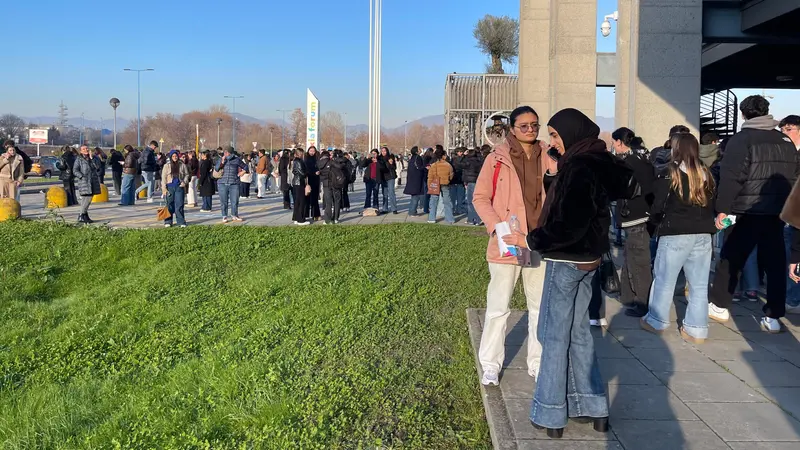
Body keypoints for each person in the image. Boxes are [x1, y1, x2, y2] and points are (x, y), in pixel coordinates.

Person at [505, 108, 634, 437]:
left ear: (571, 133)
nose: (552, 141)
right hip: (590, 259)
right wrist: (554, 174)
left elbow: (569, 223)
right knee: (578, 332)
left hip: (565, 259)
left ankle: (550, 412)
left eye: (555, 135)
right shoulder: (598, 160)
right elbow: (594, 203)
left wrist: (530, 239)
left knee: (552, 333)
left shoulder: (578, 166)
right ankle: (593, 405)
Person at [472, 105, 555, 387]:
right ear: (512, 128)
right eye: (524, 126)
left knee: (539, 307)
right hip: (507, 244)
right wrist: (498, 226)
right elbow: (481, 198)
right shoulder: (496, 159)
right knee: (498, 308)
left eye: (535, 124)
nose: (531, 130)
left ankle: (538, 361)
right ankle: (490, 363)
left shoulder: (549, 156)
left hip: (537, 242)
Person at [710, 95, 800, 333]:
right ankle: (773, 317)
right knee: (775, 262)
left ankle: (719, 304)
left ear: (743, 114)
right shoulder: (784, 140)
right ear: (767, 112)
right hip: (777, 213)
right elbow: (793, 176)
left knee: (731, 257)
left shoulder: (742, 139)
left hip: (746, 211)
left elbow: (732, 178)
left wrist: (723, 209)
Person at [641, 133, 717, 343]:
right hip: (703, 233)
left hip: (675, 232)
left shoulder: (670, 173)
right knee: (699, 284)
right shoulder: (706, 173)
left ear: (677, 148)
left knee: (665, 279)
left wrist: (653, 223)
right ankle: (697, 329)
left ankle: (656, 321)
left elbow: (658, 204)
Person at [611, 127, 656, 318]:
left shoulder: (628, 163)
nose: (613, 146)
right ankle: (630, 297)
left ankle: (642, 302)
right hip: (642, 215)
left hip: (635, 217)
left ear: (620, 142)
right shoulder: (643, 159)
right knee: (632, 259)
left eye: (614, 142)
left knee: (638, 262)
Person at [217, 146, 249, 223]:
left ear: (231, 153)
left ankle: (234, 215)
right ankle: (224, 216)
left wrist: (242, 172)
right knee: (223, 201)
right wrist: (222, 162)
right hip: (222, 183)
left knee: (234, 201)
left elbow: (246, 167)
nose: (225, 153)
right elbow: (216, 168)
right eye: (224, 152)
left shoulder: (237, 160)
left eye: (227, 152)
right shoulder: (221, 159)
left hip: (234, 183)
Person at [160, 150, 191, 227]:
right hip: (169, 187)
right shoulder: (166, 166)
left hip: (179, 187)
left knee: (179, 204)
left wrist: (184, 182)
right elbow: (163, 178)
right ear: (171, 157)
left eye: (176, 156)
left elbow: (187, 175)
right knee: (169, 205)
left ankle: (181, 221)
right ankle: (168, 221)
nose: (175, 157)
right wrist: (164, 189)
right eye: (173, 156)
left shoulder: (182, 165)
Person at [73, 145, 102, 224]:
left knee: (88, 199)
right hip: (84, 181)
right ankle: (81, 214)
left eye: (86, 148)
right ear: (81, 151)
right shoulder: (79, 159)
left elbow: (98, 167)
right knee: (87, 199)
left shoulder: (94, 158)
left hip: (93, 181)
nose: (86, 150)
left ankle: (84, 214)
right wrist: (81, 176)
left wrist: (92, 159)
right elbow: (75, 170)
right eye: (83, 149)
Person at [426, 147, 454, 224]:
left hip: (435, 185)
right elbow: (451, 175)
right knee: (447, 202)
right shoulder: (448, 165)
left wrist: (429, 186)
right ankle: (450, 219)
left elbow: (430, 177)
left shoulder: (434, 165)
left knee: (433, 201)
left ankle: (432, 218)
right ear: (443, 156)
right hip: (445, 184)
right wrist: (448, 179)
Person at [462, 147, 484, 225]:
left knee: (470, 201)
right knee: (476, 200)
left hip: (470, 182)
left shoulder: (468, 161)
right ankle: (473, 218)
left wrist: (463, 156)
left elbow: (460, 165)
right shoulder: (479, 161)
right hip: (477, 181)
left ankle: (475, 218)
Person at [403, 146, 427, 215]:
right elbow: (419, 167)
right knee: (416, 196)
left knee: (414, 196)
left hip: (412, 179)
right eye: (419, 149)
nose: (420, 150)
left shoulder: (412, 158)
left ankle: (412, 210)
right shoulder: (418, 157)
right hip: (417, 179)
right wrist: (425, 167)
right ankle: (412, 212)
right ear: (416, 151)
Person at [292, 148, 310, 225]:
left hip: (297, 182)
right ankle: (301, 219)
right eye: (302, 153)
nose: (303, 154)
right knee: (301, 201)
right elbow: (302, 173)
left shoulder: (295, 161)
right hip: (299, 182)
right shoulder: (298, 161)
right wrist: (307, 173)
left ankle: (296, 218)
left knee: (297, 201)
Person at [380, 147, 399, 214]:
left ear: (387, 151)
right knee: (384, 194)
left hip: (390, 177)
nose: (383, 152)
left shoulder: (390, 157)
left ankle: (394, 208)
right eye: (382, 151)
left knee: (391, 192)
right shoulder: (380, 158)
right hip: (383, 178)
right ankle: (385, 209)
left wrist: (390, 163)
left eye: (384, 151)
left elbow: (394, 167)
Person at [305, 146, 321, 221]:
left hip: (316, 180)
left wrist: (318, 172)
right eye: (310, 151)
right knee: (307, 198)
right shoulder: (305, 159)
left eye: (313, 151)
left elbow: (320, 167)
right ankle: (306, 214)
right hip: (308, 180)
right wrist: (313, 173)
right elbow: (305, 170)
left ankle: (316, 214)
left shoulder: (317, 159)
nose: (312, 152)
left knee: (315, 198)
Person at [450, 147, 467, 215]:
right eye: (460, 152)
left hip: (455, 180)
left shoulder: (452, 160)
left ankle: (454, 209)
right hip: (459, 179)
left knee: (454, 197)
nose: (461, 153)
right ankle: (458, 210)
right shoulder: (461, 159)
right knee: (459, 197)